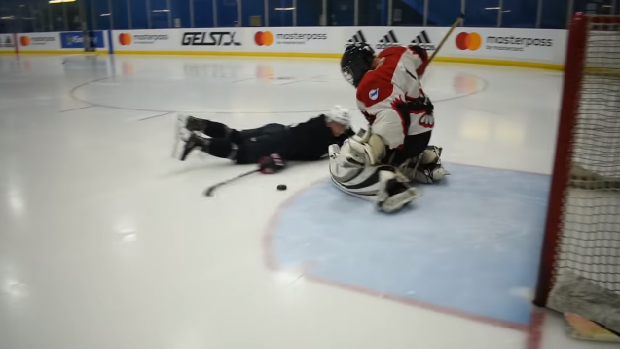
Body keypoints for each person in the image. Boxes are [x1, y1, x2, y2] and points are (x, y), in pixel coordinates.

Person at [329, 43, 449, 213]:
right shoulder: (395, 52)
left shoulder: (370, 83)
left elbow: (393, 119)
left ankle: (391, 186)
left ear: (359, 66)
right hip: (424, 130)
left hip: (408, 137)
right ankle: (423, 160)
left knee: (361, 151)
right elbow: (419, 53)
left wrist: (382, 153)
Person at [175, 106, 355, 165]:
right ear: (331, 122)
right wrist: (277, 158)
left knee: (235, 135)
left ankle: (197, 123)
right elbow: (295, 144)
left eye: (344, 125)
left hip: (277, 130)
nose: (343, 128)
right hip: (277, 141)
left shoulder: (331, 128)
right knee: (240, 152)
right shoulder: (317, 133)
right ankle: (199, 142)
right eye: (340, 124)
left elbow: (351, 137)